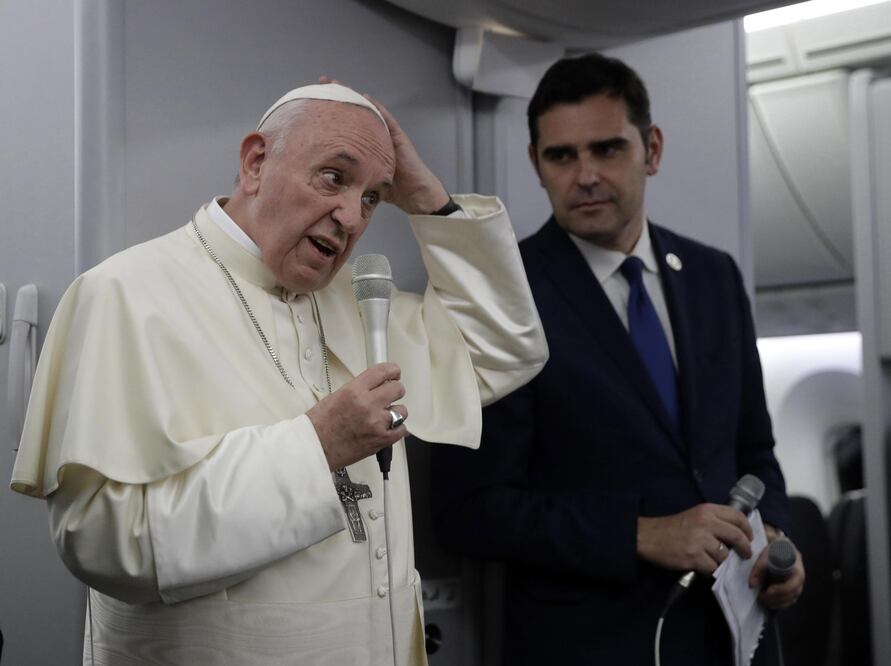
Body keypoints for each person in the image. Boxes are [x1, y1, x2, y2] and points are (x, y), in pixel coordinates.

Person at [9, 82, 547, 665]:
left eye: (372, 197)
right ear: (255, 163)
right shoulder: (126, 295)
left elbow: (503, 349)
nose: (351, 217)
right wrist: (317, 447)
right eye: (334, 177)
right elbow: (102, 541)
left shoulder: (357, 302)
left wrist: (426, 198)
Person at [431, 53, 805, 666]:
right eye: (561, 156)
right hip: (591, 644)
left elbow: (753, 452)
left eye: (607, 149)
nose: (585, 176)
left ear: (650, 149)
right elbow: (469, 509)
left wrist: (775, 538)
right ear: (537, 164)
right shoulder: (499, 295)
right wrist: (642, 533)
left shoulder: (713, 277)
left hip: (734, 640)